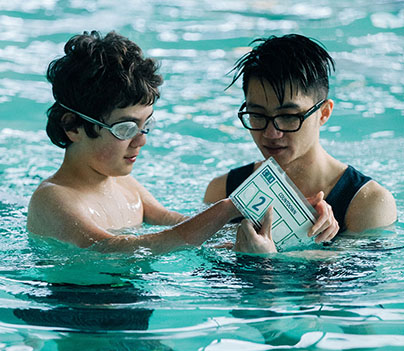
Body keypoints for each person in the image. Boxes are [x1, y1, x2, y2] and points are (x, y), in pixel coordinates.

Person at [27, 30, 243, 254]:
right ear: (72, 127)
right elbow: (115, 250)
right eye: (126, 129)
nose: (141, 141)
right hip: (81, 289)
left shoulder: (124, 183)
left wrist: (240, 233)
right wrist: (224, 210)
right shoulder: (53, 199)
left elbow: (172, 221)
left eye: (146, 125)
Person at [204, 34, 397, 253]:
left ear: (324, 113)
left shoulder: (367, 204)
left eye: (288, 116)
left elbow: (353, 284)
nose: (271, 133)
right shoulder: (224, 190)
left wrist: (269, 259)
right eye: (257, 114)